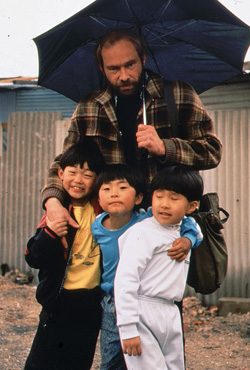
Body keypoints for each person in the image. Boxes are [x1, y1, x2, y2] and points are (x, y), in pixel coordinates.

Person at [42, 27, 222, 227]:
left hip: (169, 223)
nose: (124, 75)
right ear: (102, 68)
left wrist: (165, 147)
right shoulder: (90, 106)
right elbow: (65, 161)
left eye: (130, 65)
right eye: (114, 69)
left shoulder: (179, 94)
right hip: (113, 224)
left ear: (143, 58)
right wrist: (52, 200)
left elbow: (212, 151)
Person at [91, 164, 203, 370]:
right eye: (159, 196)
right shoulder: (142, 231)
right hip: (141, 310)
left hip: (170, 311)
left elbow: (196, 229)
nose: (165, 204)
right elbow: (125, 280)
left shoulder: (181, 230)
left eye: (174, 198)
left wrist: (188, 239)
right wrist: (128, 329)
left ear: (192, 206)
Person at [24, 139, 105, 370]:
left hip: (90, 304)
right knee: (42, 362)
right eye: (72, 172)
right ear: (60, 173)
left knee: (78, 361)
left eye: (88, 174)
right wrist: (49, 233)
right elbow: (33, 257)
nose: (79, 180)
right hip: (58, 304)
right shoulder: (58, 211)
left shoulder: (100, 210)